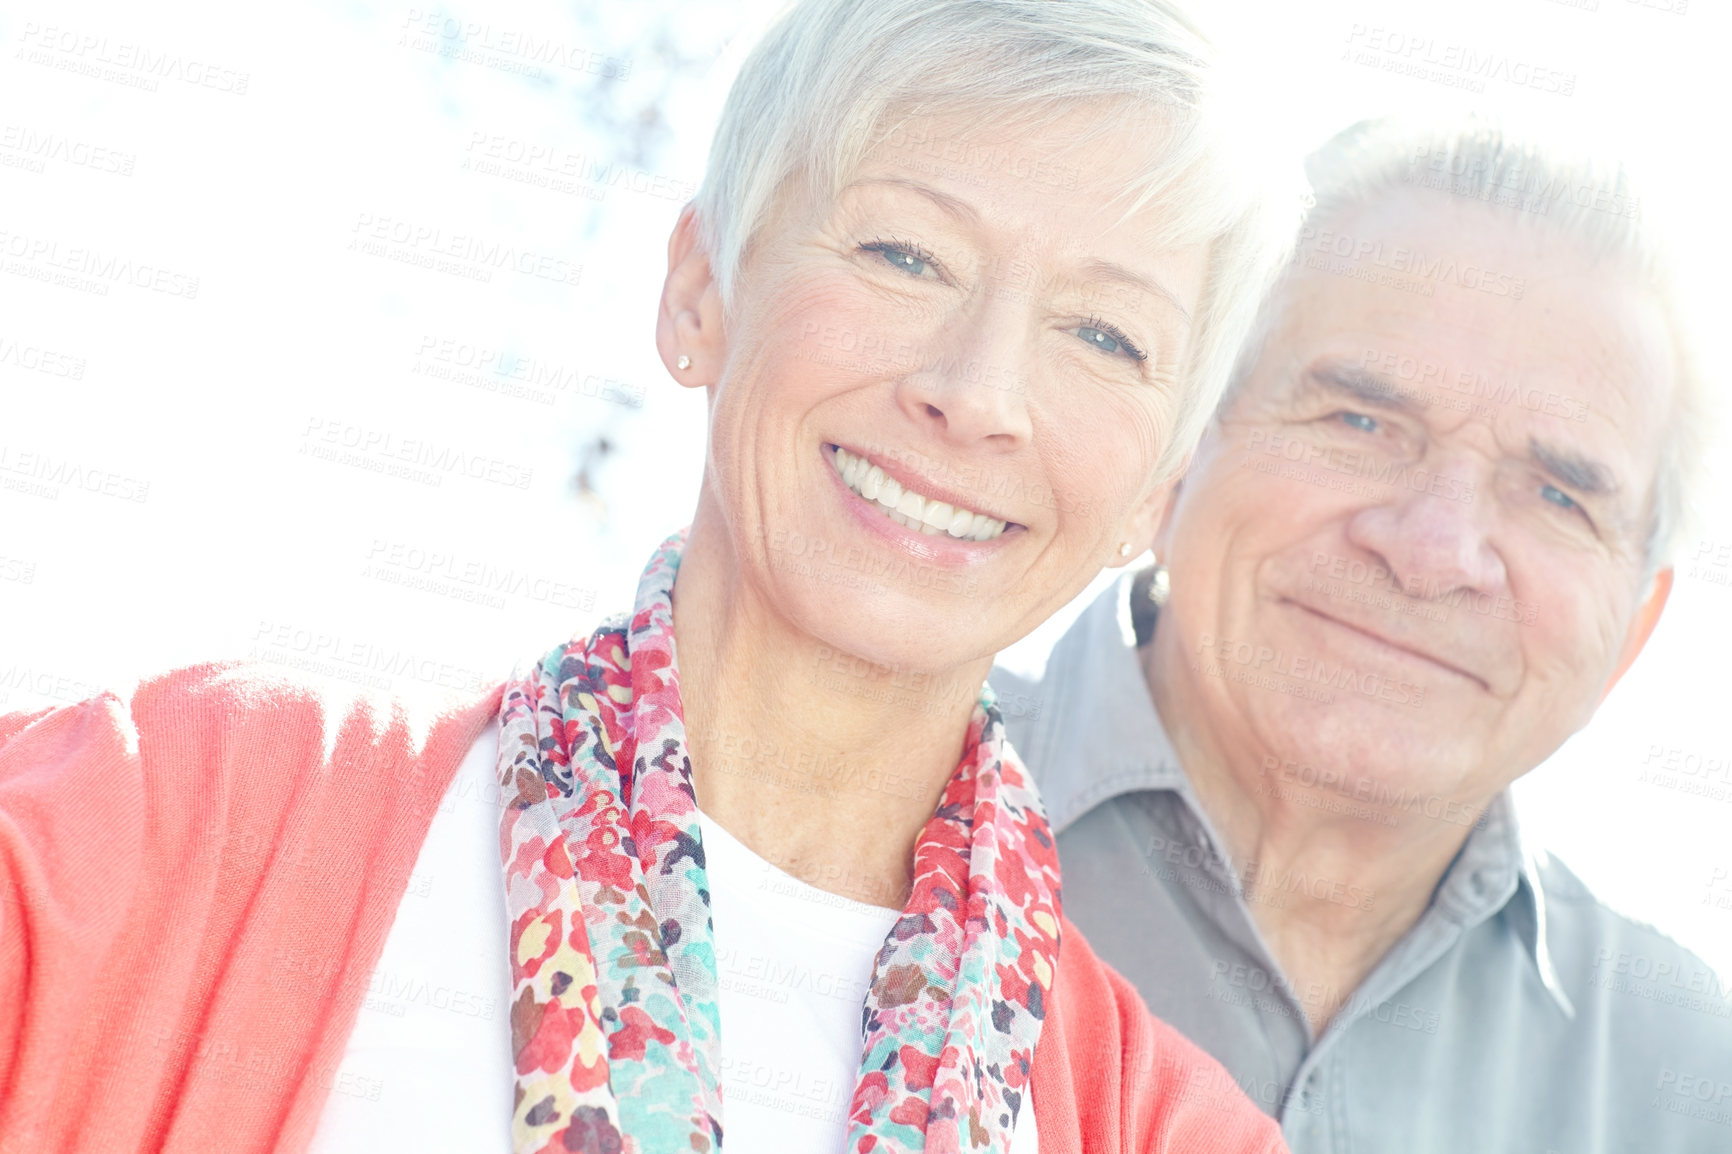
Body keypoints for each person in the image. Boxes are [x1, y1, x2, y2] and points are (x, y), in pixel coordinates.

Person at [0, 2, 1299, 1152]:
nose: (976, 392)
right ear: (697, 293)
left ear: (1160, 491)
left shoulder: (1163, 1127)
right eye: (905, 255)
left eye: (1105, 334)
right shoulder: (207, 809)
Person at [991, 118, 1730, 1154]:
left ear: (1632, 630)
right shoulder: (836, 807)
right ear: (1184, 443)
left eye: (1557, 494)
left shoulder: (1688, 1077)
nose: (1431, 550)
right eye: (1358, 421)